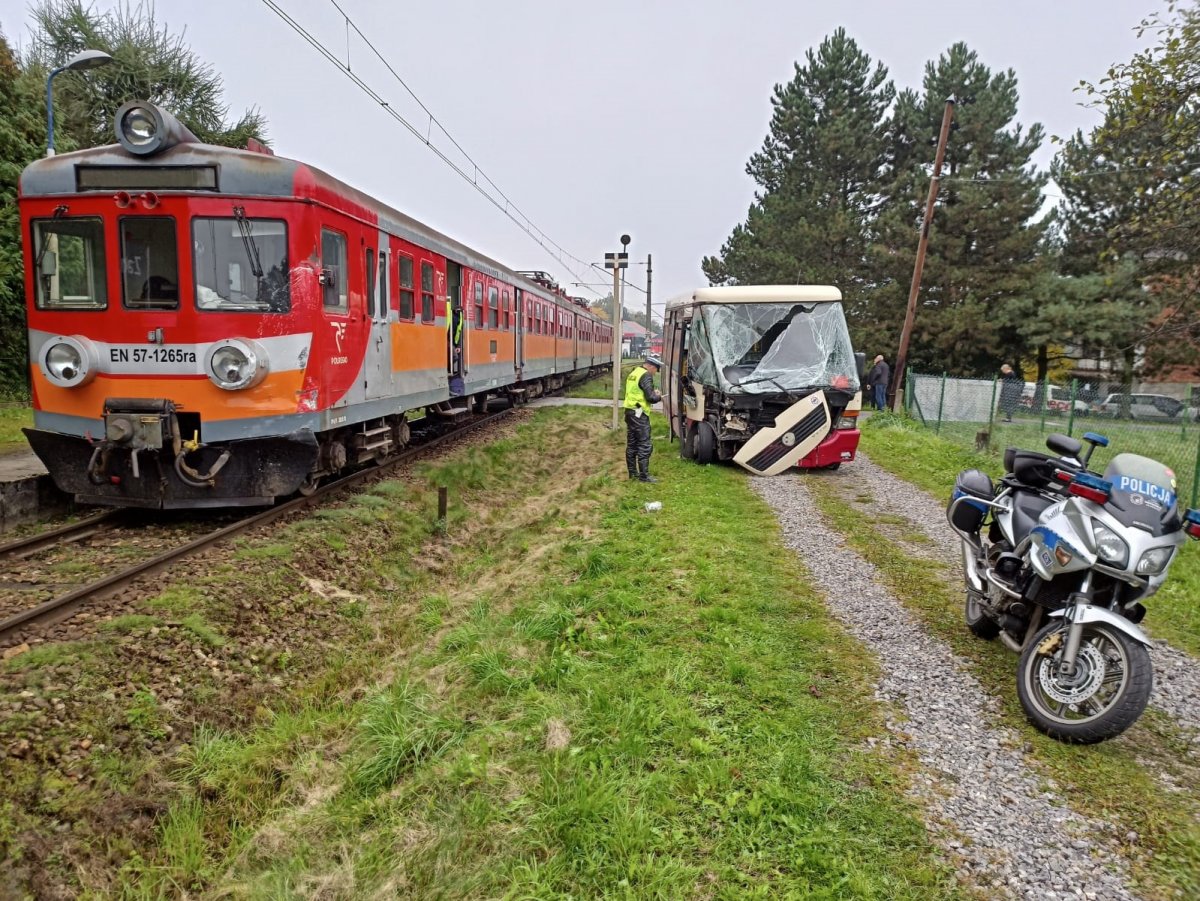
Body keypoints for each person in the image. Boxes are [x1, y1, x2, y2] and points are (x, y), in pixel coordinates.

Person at [624, 356, 663, 482]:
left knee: (632, 444)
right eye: (656, 369)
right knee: (645, 444)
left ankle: (633, 473)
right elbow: (650, 398)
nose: (655, 373)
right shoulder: (646, 375)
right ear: (651, 366)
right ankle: (644, 476)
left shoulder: (634, 373)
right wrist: (658, 396)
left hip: (630, 412)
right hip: (639, 414)